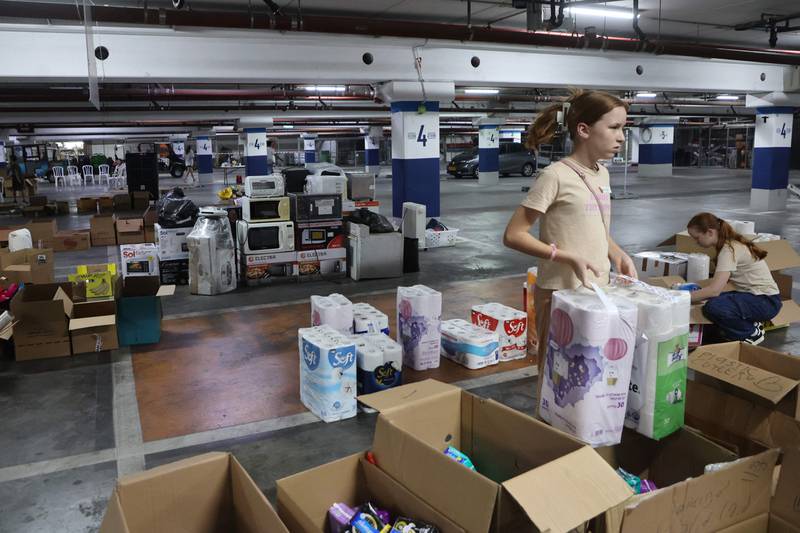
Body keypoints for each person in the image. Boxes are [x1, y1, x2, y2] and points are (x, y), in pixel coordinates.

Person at [503, 89, 637, 410]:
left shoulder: (602, 173)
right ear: (584, 130)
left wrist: (616, 252)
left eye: (623, 129)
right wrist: (564, 256)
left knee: (589, 375)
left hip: (596, 291)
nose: (621, 137)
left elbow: (596, 229)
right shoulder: (555, 176)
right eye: (614, 127)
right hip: (561, 294)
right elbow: (513, 234)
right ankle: (550, 434)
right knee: (555, 375)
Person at [685, 212, 781, 345]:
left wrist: (681, 298)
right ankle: (749, 323)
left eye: (697, 237)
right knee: (712, 301)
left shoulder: (729, 250)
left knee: (713, 307)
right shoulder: (730, 244)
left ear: (710, 232)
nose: (696, 242)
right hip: (758, 297)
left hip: (765, 301)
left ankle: (750, 332)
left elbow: (714, 290)